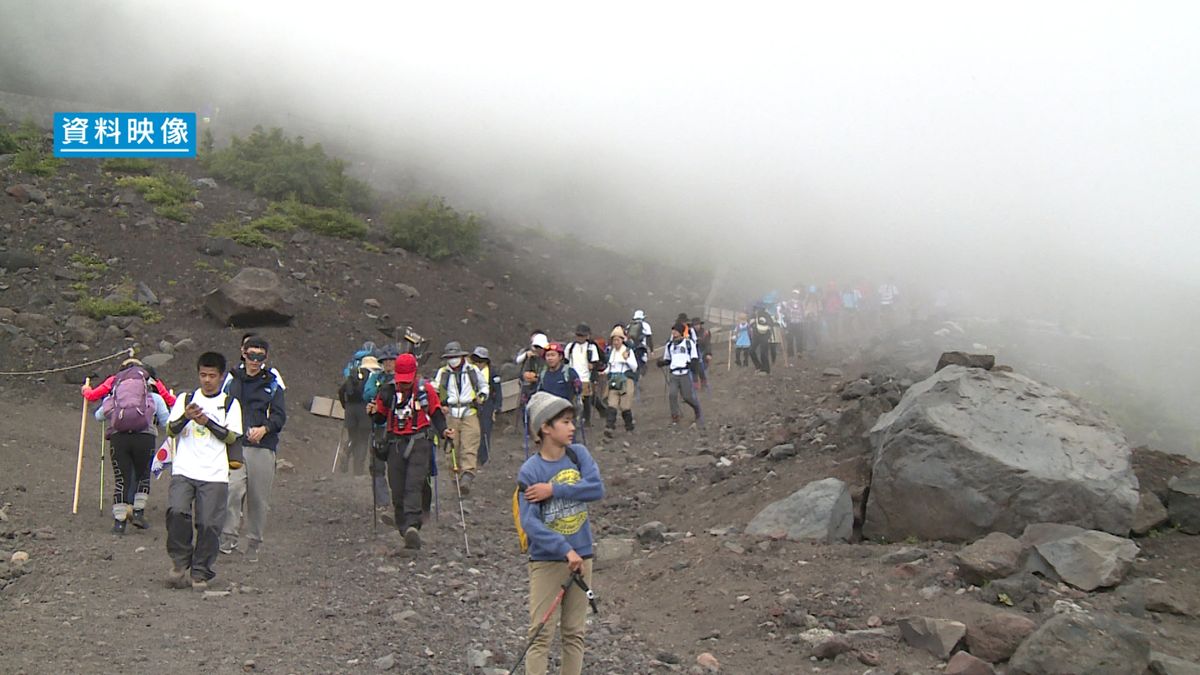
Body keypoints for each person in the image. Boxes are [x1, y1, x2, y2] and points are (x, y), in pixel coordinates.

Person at [516, 392, 605, 675]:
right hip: (547, 561)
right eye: (565, 422)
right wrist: (564, 550)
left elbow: (596, 489)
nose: (572, 427)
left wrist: (554, 490)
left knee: (574, 632)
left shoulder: (579, 455)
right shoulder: (531, 470)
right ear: (545, 427)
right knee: (540, 634)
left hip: (583, 555)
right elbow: (530, 523)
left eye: (572, 421)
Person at [165, 351, 243, 591]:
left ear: (221, 377)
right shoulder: (185, 398)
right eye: (203, 375)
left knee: (209, 524)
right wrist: (187, 418)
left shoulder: (230, 403)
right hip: (185, 469)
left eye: (212, 375)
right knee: (177, 512)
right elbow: (170, 430)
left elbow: (231, 436)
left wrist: (206, 422)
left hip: (214, 472)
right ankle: (180, 561)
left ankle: (201, 571)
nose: (207, 380)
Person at [368, 353, 452, 551]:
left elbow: (436, 413)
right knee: (397, 488)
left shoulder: (426, 390)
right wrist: (372, 412)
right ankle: (403, 527)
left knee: (413, 484)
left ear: (414, 375)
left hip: (419, 441)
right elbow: (380, 418)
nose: (403, 385)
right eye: (401, 381)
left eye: (407, 382)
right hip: (395, 443)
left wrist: (444, 431)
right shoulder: (387, 391)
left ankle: (413, 525)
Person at [220, 336, 287, 562]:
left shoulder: (273, 382)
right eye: (251, 355)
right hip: (236, 444)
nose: (255, 361)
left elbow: (279, 415)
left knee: (258, 497)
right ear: (243, 353)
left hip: (262, 446)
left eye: (260, 356)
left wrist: (265, 428)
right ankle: (227, 537)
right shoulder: (231, 380)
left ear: (266, 358)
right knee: (232, 489)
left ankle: (253, 542)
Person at [90, 358, 170, 534]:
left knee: (121, 479)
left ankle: (119, 523)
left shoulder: (115, 396)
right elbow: (166, 423)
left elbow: (98, 416)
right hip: (145, 438)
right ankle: (138, 513)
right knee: (142, 476)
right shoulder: (154, 397)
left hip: (120, 439)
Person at [434, 341, 488, 495]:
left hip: (469, 411)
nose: (453, 359)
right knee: (452, 449)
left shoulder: (472, 370)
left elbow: (484, 386)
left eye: (455, 356)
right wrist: (439, 404)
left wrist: (481, 396)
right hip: (451, 414)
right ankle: (455, 481)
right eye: (450, 357)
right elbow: (435, 390)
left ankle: (467, 476)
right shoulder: (443, 373)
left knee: (469, 446)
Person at [363, 348, 398, 522]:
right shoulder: (375, 378)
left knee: (396, 463)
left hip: (395, 426)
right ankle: (383, 501)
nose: (388, 363)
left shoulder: (403, 379)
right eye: (385, 360)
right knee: (376, 465)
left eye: (391, 360)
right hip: (378, 425)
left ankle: (398, 500)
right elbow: (367, 393)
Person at [337, 354, 381, 476]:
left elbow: (341, 391)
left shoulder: (352, 376)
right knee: (362, 440)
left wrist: (345, 405)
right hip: (364, 411)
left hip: (350, 410)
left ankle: (346, 450)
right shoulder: (373, 377)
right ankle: (358, 469)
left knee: (353, 437)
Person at [659, 323, 703, 427]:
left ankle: (696, 408)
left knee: (687, 397)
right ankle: (675, 417)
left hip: (684, 373)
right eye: (673, 330)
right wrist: (662, 363)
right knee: (672, 395)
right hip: (674, 373)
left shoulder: (689, 343)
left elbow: (694, 357)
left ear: (681, 332)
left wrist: (692, 366)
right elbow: (668, 359)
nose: (673, 332)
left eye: (676, 330)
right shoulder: (669, 345)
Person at [564, 324, 602, 430]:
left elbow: (596, 362)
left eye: (582, 335)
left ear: (587, 336)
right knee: (572, 400)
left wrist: (593, 366)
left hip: (585, 377)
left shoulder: (591, 347)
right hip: (572, 377)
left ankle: (587, 420)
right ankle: (573, 419)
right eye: (578, 335)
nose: (579, 337)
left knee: (586, 399)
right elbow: (566, 361)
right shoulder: (570, 347)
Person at [603, 326, 638, 437]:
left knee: (625, 406)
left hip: (626, 380)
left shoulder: (628, 351)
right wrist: (603, 372)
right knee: (612, 404)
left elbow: (634, 367)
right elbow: (610, 367)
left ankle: (629, 427)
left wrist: (626, 359)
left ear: (622, 340)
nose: (616, 342)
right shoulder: (611, 352)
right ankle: (609, 427)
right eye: (614, 340)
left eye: (618, 339)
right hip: (614, 380)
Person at [536, 343, 582, 407]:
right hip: (548, 411)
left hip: (565, 411)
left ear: (560, 357)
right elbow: (538, 393)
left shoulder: (569, 372)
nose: (550, 358)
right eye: (548, 355)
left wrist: (577, 385)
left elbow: (578, 393)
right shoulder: (543, 375)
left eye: (553, 355)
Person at [626, 310, 653, 378]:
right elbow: (649, 338)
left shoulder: (629, 326)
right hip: (641, 348)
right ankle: (639, 378)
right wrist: (651, 350)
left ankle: (634, 378)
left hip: (631, 348)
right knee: (641, 364)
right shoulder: (646, 325)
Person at [750, 305, 774, 374]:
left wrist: (767, 326)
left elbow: (771, 324)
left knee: (763, 352)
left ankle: (766, 370)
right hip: (756, 335)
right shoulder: (753, 315)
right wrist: (753, 323)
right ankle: (759, 366)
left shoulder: (767, 315)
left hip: (765, 335)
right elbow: (750, 324)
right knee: (751, 351)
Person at [690, 317, 712, 389]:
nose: (696, 326)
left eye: (698, 324)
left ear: (700, 325)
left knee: (702, 368)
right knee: (694, 369)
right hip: (693, 353)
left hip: (703, 352)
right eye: (695, 325)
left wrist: (708, 354)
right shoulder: (690, 333)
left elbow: (708, 344)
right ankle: (695, 384)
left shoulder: (705, 333)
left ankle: (703, 381)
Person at [784, 290, 805, 358]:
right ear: (792, 294)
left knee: (799, 338)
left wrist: (802, 319)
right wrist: (787, 319)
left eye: (797, 294)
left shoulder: (801, 303)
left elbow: (803, 311)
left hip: (799, 322)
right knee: (790, 338)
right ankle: (790, 353)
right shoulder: (788, 303)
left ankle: (799, 352)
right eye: (794, 294)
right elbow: (786, 312)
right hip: (791, 322)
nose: (795, 295)